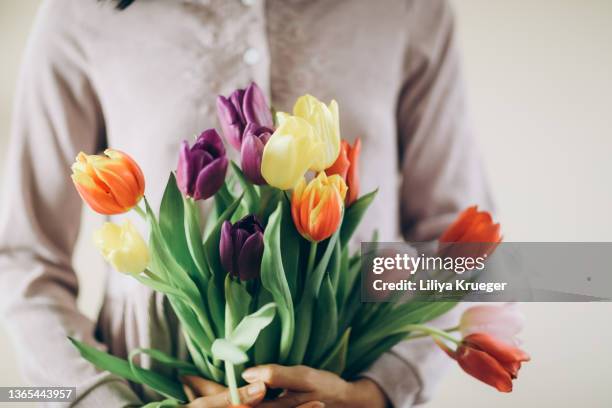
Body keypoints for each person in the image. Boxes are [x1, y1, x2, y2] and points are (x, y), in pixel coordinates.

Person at [0, 0, 493, 407]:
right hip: (144, 387)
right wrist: (101, 400)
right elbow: (20, 257)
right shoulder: (79, 13)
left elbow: (476, 254)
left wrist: (382, 390)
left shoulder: (410, 10)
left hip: (356, 381)